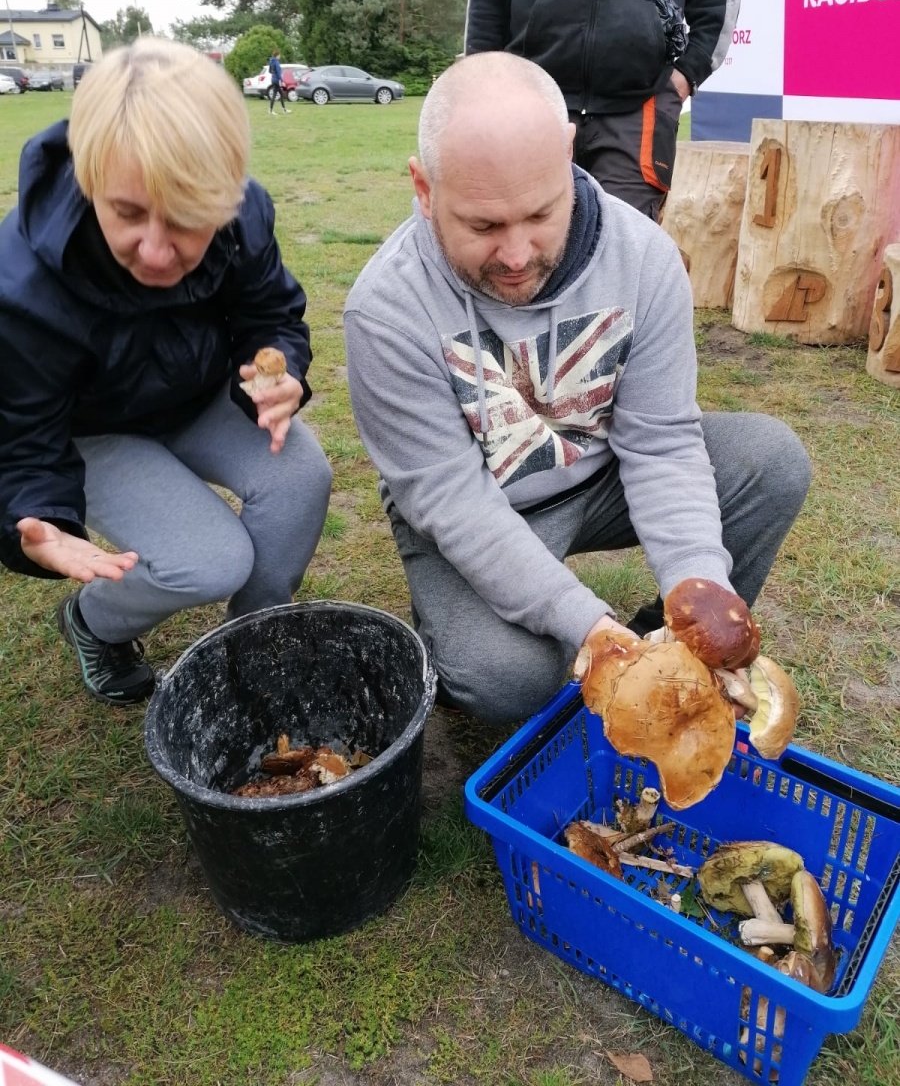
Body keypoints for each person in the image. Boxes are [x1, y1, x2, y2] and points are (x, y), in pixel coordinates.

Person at [343, 53, 810, 725]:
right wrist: (583, 623)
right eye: (482, 226)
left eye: (539, 213)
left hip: (599, 478)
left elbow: (661, 446)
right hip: (472, 505)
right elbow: (450, 501)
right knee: (509, 681)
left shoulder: (643, 259)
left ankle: (664, 637)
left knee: (771, 461)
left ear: (568, 153)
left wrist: (696, 595)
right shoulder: (384, 310)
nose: (515, 253)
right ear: (423, 187)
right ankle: (455, 619)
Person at [0, 37, 332, 705]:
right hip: (92, 432)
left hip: (198, 394)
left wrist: (281, 368)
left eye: (187, 219)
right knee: (211, 560)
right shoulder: (21, 285)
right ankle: (94, 621)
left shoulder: (244, 216)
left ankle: (250, 647)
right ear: (92, 179)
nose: (156, 251)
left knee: (301, 477)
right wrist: (34, 517)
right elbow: (21, 439)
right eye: (127, 213)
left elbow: (272, 315)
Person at [464, 0, 742, 221]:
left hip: (640, 106)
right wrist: (482, 91)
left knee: (625, 260)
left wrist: (686, 74)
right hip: (532, 105)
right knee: (525, 257)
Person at [267, 49, 290, 115]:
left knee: (281, 94)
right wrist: (281, 81)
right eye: (279, 55)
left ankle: (284, 109)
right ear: (277, 55)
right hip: (276, 80)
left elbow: (270, 71)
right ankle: (271, 110)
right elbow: (278, 72)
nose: (280, 57)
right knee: (275, 95)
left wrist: (274, 74)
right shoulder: (276, 62)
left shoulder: (271, 61)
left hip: (273, 79)